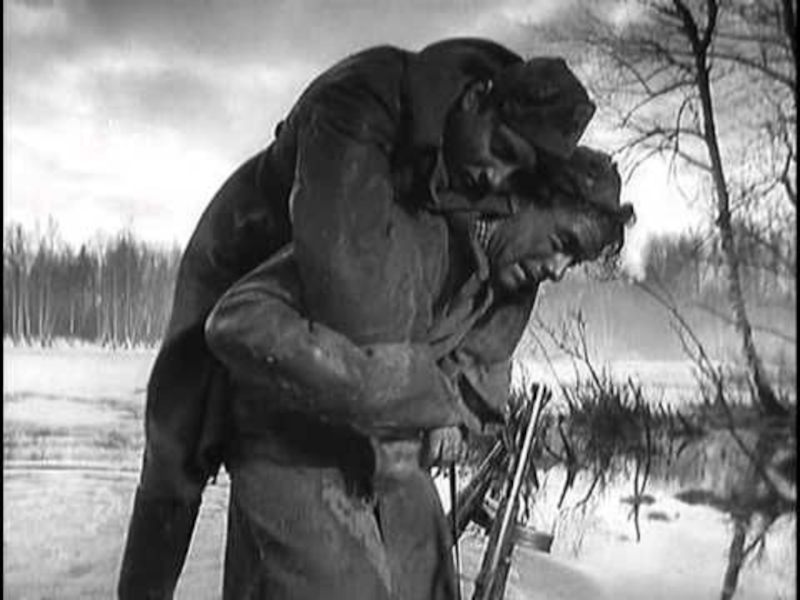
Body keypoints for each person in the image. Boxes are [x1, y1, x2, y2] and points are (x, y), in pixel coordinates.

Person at [118, 37, 599, 599]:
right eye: (501, 149)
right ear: (476, 100)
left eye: (517, 170)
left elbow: (448, 305)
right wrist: (421, 398)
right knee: (177, 451)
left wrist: (432, 406)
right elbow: (350, 290)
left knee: (283, 457)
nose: (497, 178)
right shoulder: (365, 99)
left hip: (318, 290)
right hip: (245, 248)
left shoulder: (475, 180)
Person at [204, 145, 633, 599]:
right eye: (563, 243)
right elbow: (237, 319)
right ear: (525, 200)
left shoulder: (516, 281)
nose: (559, 270)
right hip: (285, 432)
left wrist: (450, 415)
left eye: (574, 261)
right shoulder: (401, 226)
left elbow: (477, 373)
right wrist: (377, 382)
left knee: (430, 584)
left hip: (384, 447)